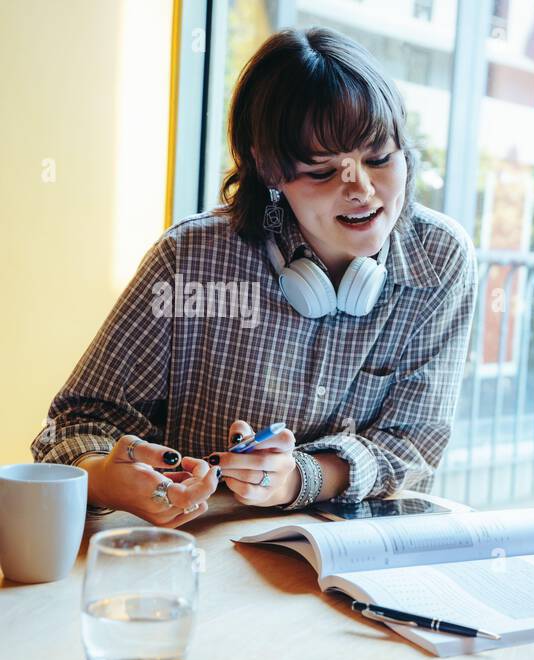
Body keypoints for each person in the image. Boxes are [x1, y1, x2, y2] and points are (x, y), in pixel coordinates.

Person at [32, 27, 476, 526]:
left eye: (380, 159)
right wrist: (105, 475)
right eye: (323, 171)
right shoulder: (190, 259)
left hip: (350, 559)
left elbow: (412, 447)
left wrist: (299, 477)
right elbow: (79, 424)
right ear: (270, 170)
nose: (363, 190)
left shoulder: (439, 258)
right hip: (196, 547)